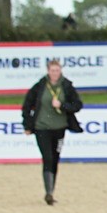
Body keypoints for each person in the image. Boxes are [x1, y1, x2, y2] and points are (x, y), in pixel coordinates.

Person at [22, 59, 83, 205]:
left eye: (57, 70)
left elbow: (77, 105)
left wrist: (62, 105)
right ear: (48, 71)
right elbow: (26, 105)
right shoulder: (40, 86)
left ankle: (51, 190)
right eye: (52, 70)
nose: (55, 73)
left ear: (60, 71)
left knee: (55, 159)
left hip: (60, 128)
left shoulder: (67, 86)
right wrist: (28, 124)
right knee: (47, 157)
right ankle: (48, 192)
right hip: (42, 128)